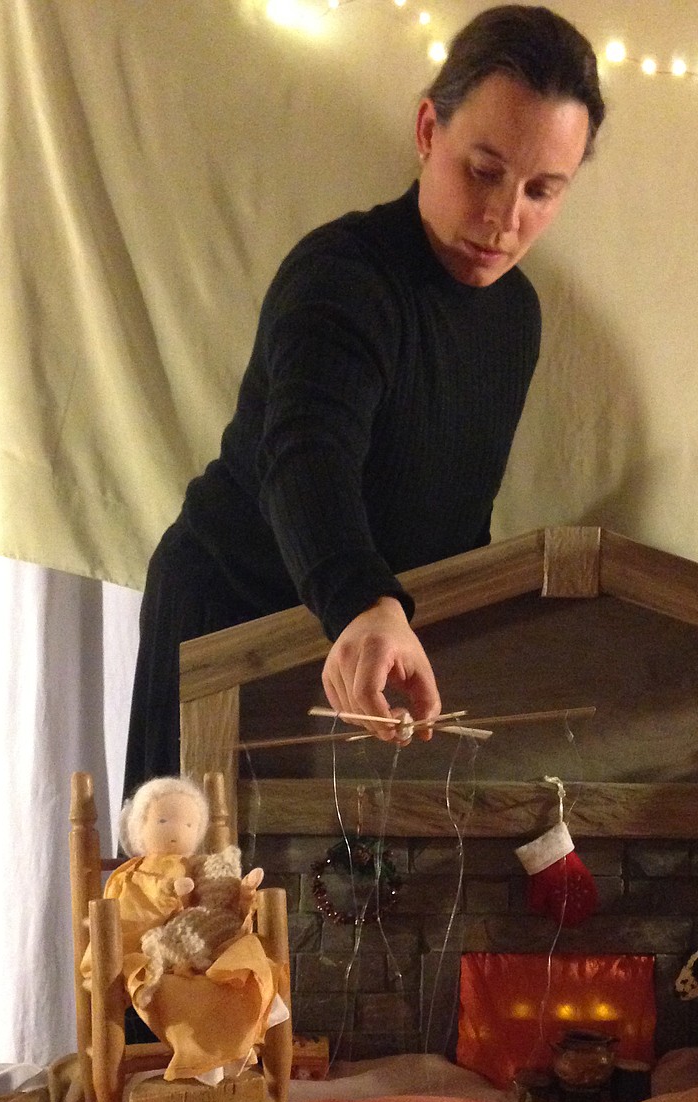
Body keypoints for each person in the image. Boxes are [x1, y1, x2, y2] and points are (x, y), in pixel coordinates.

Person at [123, 5, 604, 796]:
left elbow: (454, 517)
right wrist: (365, 603)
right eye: (483, 171)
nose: (504, 219)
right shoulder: (342, 278)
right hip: (234, 624)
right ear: (427, 130)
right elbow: (306, 459)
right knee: (190, 903)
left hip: (370, 633)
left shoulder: (517, 314)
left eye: (543, 190)